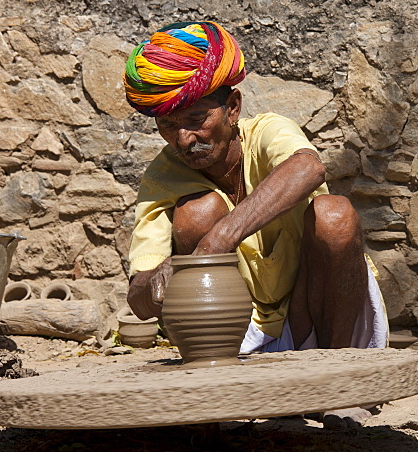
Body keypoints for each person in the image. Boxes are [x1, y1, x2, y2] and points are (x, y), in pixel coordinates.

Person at [124, 21, 387, 426]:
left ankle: (336, 383)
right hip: (236, 341)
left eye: (196, 119)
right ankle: (223, 383)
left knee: (334, 214)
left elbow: (308, 168)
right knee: (197, 210)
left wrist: (214, 244)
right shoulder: (161, 176)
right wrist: (155, 282)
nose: (184, 140)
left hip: (317, 319)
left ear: (232, 108)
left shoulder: (267, 132)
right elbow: (138, 299)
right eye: (169, 126)